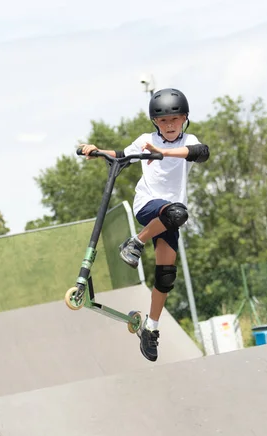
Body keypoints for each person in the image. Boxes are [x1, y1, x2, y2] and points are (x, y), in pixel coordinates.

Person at [80, 87, 209, 362]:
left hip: (171, 216)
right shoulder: (144, 141)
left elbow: (201, 152)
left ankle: (151, 328)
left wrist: (162, 152)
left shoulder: (188, 141)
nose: (170, 125)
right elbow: (121, 156)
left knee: (166, 276)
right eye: (163, 121)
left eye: (175, 119)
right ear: (155, 123)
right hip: (149, 205)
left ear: (185, 118)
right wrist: (96, 151)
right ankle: (136, 242)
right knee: (177, 213)